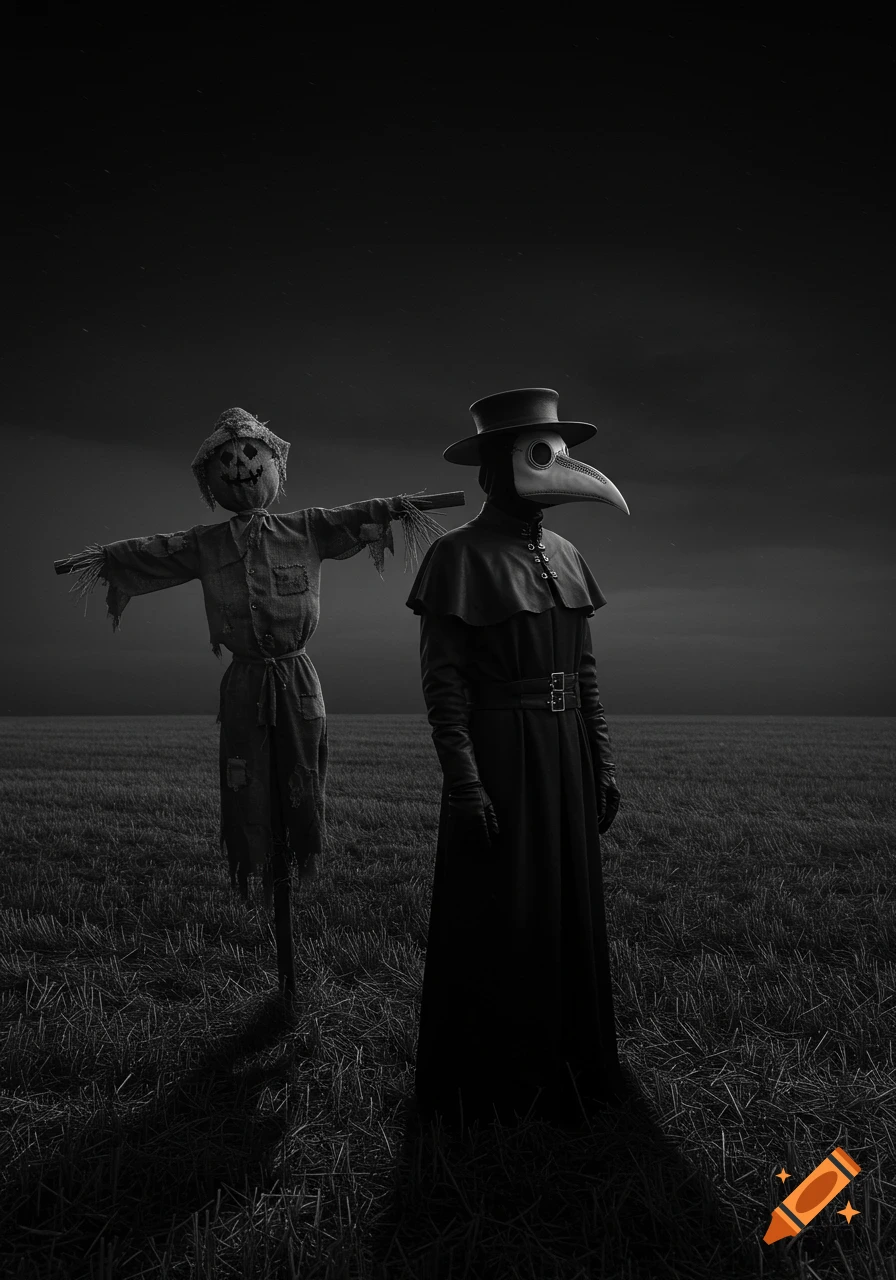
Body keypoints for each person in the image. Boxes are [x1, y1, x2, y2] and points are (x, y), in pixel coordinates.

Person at [406, 387, 630, 1128]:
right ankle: (498, 1078)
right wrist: (464, 780)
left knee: (566, 900)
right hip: (502, 753)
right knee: (505, 907)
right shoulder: (456, 557)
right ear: (496, 466)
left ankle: (574, 1061)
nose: (560, 469)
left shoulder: (566, 553)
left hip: (562, 754)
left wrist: (600, 760)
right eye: (540, 454)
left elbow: (586, 674)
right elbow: (444, 684)